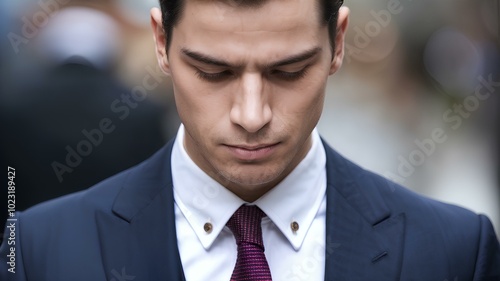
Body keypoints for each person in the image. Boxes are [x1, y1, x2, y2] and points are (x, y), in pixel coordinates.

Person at [1, 0, 499, 280]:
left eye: (289, 70)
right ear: (161, 44)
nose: (252, 114)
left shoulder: (453, 253)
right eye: (213, 71)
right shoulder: (39, 253)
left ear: (339, 44)